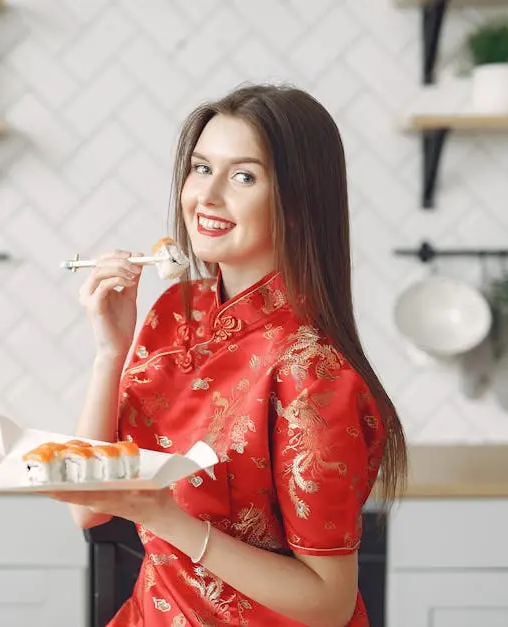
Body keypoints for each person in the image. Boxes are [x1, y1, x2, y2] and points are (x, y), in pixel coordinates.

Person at [48, 83, 408, 627]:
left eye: (243, 176)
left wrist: (168, 520)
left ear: (297, 201)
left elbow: (329, 604)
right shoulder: (176, 309)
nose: (206, 196)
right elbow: (88, 506)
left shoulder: (313, 369)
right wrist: (109, 352)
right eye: (200, 168)